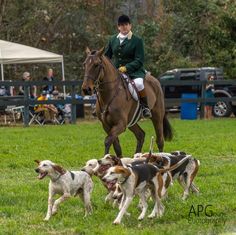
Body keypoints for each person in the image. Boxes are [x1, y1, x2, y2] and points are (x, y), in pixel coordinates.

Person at [104, 14, 151, 118]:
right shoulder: (113, 40)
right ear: (118, 27)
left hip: (135, 72)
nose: (124, 27)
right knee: (105, 84)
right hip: (117, 72)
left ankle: (145, 107)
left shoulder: (137, 40)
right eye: (121, 25)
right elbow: (106, 57)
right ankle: (101, 107)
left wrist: (127, 68)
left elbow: (139, 60)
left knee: (139, 84)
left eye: (126, 24)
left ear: (130, 26)